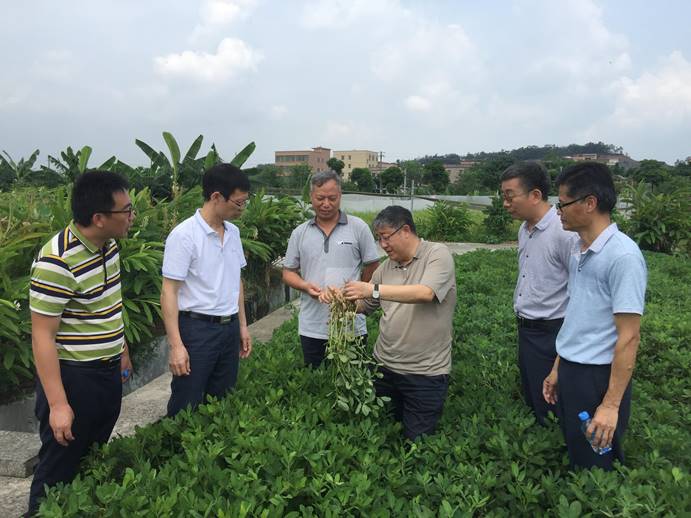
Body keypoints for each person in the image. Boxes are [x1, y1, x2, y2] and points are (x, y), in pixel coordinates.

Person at [28, 171, 135, 515]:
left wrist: (121, 349)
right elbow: (42, 336)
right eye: (126, 211)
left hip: (107, 372)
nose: (132, 217)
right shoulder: (56, 261)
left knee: (92, 457)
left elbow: (109, 304)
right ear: (99, 218)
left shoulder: (109, 246)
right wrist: (59, 405)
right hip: (75, 379)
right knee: (58, 466)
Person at [543, 162, 647, 470]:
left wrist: (610, 405)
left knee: (597, 462)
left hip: (598, 377)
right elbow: (578, 316)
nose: (558, 211)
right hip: (573, 369)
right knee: (577, 450)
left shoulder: (623, 256)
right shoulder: (579, 249)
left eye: (563, 204)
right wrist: (559, 367)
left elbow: (629, 336)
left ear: (590, 203)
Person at [342, 206, 456, 440]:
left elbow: (425, 293)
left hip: (425, 374)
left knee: (416, 443)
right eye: (379, 239)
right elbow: (365, 306)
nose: (382, 245)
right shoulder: (386, 267)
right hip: (383, 369)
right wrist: (341, 301)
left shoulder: (437, 254)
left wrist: (372, 289)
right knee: (381, 437)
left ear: (405, 230)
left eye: (386, 237)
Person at [162, 163, 252, 417]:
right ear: (216, 197)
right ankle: (177, 441)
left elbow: (236, 281)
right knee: (186, 400)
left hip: (229, 328)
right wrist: (176, 346)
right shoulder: (184, 235)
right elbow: (168, 292)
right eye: (238, 203)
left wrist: (242, 326)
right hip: (197, 330)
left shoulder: (233, 233)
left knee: (222, 400)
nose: (242, 209)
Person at [500, 162, 575, 424]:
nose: (505, 204)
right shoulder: (525, 229)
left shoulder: (564, 232)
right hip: (527, 329)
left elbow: (578, 289)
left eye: (510, 196)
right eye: (503, 197)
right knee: (533, 399)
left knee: (551, 406)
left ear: (535, 195)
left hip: (553, 332)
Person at [282, 171, 379, 367]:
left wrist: (356, 292)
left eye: (332, 198)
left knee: (352, 376)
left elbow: (373, 265)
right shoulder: (300, 232)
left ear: (340, 196)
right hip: (312, 326)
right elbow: (288, 272)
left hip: (351, 324)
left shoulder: (358, 227)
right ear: (311, 197)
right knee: (316, 378)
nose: (326, 204)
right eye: (320, 198)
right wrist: (305, 286)